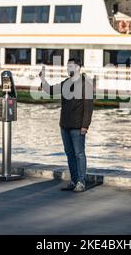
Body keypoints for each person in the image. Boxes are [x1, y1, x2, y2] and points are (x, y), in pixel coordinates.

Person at [39, 58, 94, 193]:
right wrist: (43, 80)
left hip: (78, 126)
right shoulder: (65, 83)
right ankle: (74, 181)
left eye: (70, 66)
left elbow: (88, 108)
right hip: (65, 125)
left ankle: (81, 182)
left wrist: (85, 126)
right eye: (67, 66)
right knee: (70, 154)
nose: (68, 68)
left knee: (79, 154)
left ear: (78, 67)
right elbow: (50, 91)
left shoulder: (86, 84)